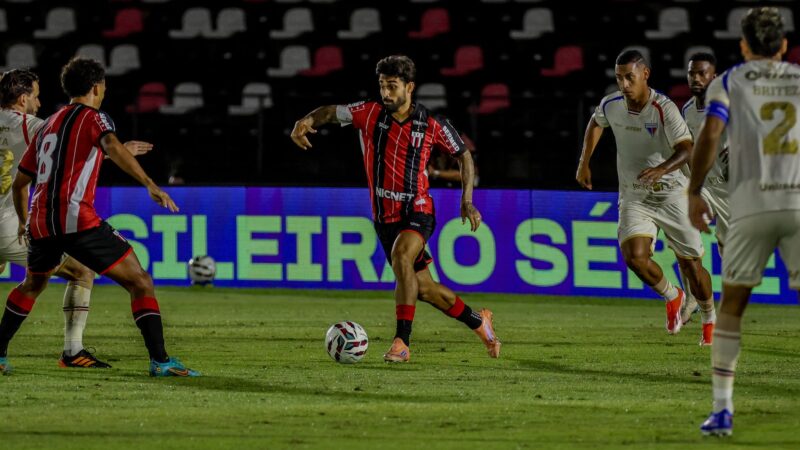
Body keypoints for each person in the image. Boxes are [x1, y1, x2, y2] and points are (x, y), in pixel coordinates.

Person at [290, 55, 500, 362]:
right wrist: (306, 121)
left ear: (409, 87)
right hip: (384, 218)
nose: (385, 93)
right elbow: (331, 112)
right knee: (424, 289)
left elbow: (464, 155)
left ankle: (402, 342)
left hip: (418, 211)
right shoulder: (369, 113)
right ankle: (480, 323)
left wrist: (466, 200)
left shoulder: (431, 124)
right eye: (382, 85)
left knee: (403, 255)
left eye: (392, 86)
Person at [0, 58, 198, 377]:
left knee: (34, 283)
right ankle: (161, 361)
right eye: (103, 85)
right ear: (96, 87)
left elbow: (21, 182)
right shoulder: (94, 117)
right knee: (140, 281)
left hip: (40, 222)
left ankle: (1, 353)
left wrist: (25, 222)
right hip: (76, 219)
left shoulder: (48, 124)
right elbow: (112, 146)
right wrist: (149, 183)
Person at [689, 7, 799, 436]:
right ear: (784, 45)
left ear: (743, 46)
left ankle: (722, 410)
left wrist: (694, 191)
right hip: (796, 201)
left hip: (751, 205)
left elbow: (710, 134)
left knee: (732, 306)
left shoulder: (730, 81)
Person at [576, 49, 714, 339]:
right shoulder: (611, 104)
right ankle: (672, 295)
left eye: (630, 77)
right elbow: (596, 122)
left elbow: (686, 149)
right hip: (635, 195)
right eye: (619, 78)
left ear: (645, 75)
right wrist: (584, 162)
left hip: (672, 194)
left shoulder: (664, 108)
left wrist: (662, 169)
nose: (624, 84)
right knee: (634, 256)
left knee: (691, 266)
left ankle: (709, 317)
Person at [677, 52, 728, 337]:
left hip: (734, 190)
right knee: (681, 234)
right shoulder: (686, 111)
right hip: (704, 187)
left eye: (702, 73)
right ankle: (692, 297)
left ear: (713, 76)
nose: (695, 78)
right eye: (691, 73)